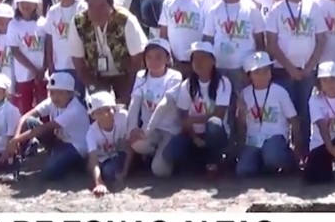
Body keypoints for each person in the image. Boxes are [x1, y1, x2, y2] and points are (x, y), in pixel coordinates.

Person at [266, 0, 327, 145]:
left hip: (308, 71)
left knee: (305, 112)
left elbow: (321, 39)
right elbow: (271, 43)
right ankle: (285, 151)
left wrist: (309, 67)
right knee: (285, 112)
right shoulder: (275, 10)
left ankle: (304, 151)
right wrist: (290, 68)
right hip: (283, 71)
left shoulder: (313, 8)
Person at [68, 0, 148, 104]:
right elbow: (78, 62)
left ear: (111, 6)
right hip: (96, 77)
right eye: (91, 6)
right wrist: (92, 88)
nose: (96, 12)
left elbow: (138, 59)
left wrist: (128, 90)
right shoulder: (78, 23)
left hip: (126, 75)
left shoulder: (125, 20)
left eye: (101, 6)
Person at [163, 42, 231, 177]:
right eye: (195, 59)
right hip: (194, 134)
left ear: (213, 61)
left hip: (216, 134)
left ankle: (213, 163)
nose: (199, 63)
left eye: (203, 59)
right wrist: (194, 136)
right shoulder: (187, 85)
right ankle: (199, 162)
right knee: (170, 153)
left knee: (214, 124)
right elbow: (182, 116)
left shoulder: (223, 82)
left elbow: (219, 114)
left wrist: (193, 120)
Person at [9, 73, 90, 181]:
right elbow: (25, 117)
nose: (55, 97)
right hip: (60, 141)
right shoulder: (52, 101)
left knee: (48, 173)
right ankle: (17, 160)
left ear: (70, 94)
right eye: (52, 92)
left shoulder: (74, 109)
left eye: (60, 93)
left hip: (76, 147)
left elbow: (44, 128)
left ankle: (77, 166)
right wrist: (16, 138)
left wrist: (16, 140)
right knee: (29, 122)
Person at [235, 51, 300, 178]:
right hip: (253, 140)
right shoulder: (244, 94)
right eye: (257, 72)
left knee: (272, 156)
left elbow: (294, 119)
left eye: (266, 70)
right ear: (250, 75)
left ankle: (288, 160)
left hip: (275, 137)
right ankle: (263, 164)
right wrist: (241, 113)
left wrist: (297, 144)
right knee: (243, 170)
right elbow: (241, 125)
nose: (262, 75)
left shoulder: (280, 92)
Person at [202, 0, 266, 94]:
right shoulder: (214, 10)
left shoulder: (251, 9)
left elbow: (260, 41)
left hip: (244, 68)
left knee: (243, 104)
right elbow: (207, 40)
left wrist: (254, 67)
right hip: (220, 67)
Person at [126, 39, 184, 177]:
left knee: (159, 171)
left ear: (167, 58)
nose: (153, 61)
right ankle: (155, 154)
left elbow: (165, 104)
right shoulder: (141, 76)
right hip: (150, 131)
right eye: (149, 57)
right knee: (135, 144)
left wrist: (147, 130)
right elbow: (135, 101)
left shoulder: (174, 76)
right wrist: (132, 129)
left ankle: (172, 158)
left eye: (158, 57)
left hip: (169, 130)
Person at [158, 0, 206, 77]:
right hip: (175, 61)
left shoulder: (203, 1)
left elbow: (208, 32)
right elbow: (163, 33)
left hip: (198, 61)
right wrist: (167, 55)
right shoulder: (168, 3)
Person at [44, 0, 88, 94]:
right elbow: (49, 39)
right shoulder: (53, 11)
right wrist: (50, 64)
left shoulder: (82, 8)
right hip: (60, 66)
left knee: (79, 99)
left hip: (78, 65)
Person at [9, 0, 47, 114]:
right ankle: (28, 131)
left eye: (29, 2)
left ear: (36, 4)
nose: (25, 6)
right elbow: (15, 50)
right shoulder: (14, 24)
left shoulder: (43, 23)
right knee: (26, 106)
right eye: (22, 3)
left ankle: (45, 132)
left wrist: (44, 68)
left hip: (42, 72)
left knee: (43, 105)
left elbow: (48, 46)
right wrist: (33, 69)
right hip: (24, 73)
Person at [86, 90, 130, 196]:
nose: (105, 114)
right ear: (93, 115)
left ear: (114, 109)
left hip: (124, 153)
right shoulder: (91, 132)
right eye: (99, 112)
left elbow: (130, 147)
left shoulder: (123, 118)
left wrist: (125, 170)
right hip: (104, 158)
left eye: (108, 109)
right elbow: (93, 158)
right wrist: (99, 183)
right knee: (92, 167)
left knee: (108, 170)